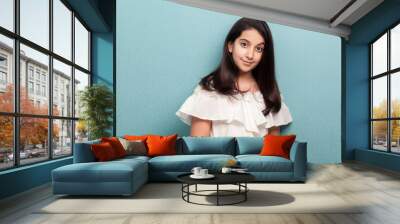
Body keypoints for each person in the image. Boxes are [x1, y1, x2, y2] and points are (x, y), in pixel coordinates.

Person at [176, 17, 292, 137]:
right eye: (244, 44)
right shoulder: (209, 90)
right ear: (230, 46)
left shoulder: (269, 94)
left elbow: (272, 151)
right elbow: (199, 148)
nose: (250, 55)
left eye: (259, 49)